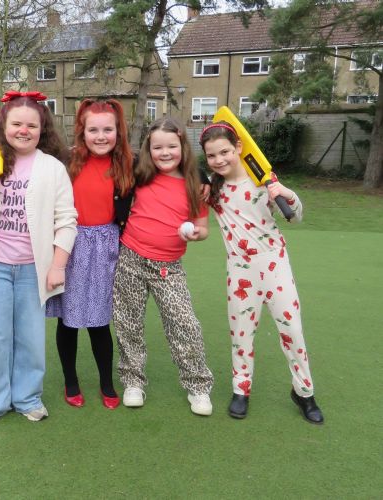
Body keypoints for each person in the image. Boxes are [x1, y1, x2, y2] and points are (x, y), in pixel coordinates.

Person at [0, 91, 77, 427]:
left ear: (42, 130)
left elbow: (67, 220)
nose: (24, 131)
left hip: (32, 270)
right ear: (3, 126)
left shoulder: (53, 168)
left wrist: (57, 265)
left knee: (30, 340)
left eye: (32, 126)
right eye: (16, 124)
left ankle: (27, 398)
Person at [199, 121, 323, 424]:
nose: (219, 160)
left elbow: (295, 217)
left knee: (292, 330)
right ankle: (241, 389)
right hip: (240, 270)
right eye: (212, 155)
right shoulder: (213, 188)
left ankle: (304, 392)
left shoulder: (262, 179)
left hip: (274, 264)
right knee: (241, 332)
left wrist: (285, 192)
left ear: (239, 147)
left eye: (225, 152)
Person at [113, 117, 214, 416]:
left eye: (172, 146)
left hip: (168, 267)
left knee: (184, 324)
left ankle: (198, 386)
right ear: (149, 149)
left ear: (183, 146)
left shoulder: (196, 185)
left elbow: (203, 228)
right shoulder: (140, 173)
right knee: (128, 323)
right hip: (130, 258)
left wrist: (196, 234)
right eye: (158, 147)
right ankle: (133, 381)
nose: (165, 153)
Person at [46, 98, 135, 410]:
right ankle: (70, 380)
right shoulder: (65, 161)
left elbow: (170, 166)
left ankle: (106, 382)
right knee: (68, 320)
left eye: (107, 130)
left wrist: (204, 180)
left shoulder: (128, 163)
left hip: (105, 247)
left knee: (99, 321)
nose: (101, 136)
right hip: (68, 246)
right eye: (93, 130)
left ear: (118, 131)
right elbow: (22, 160)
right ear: (82, 132)